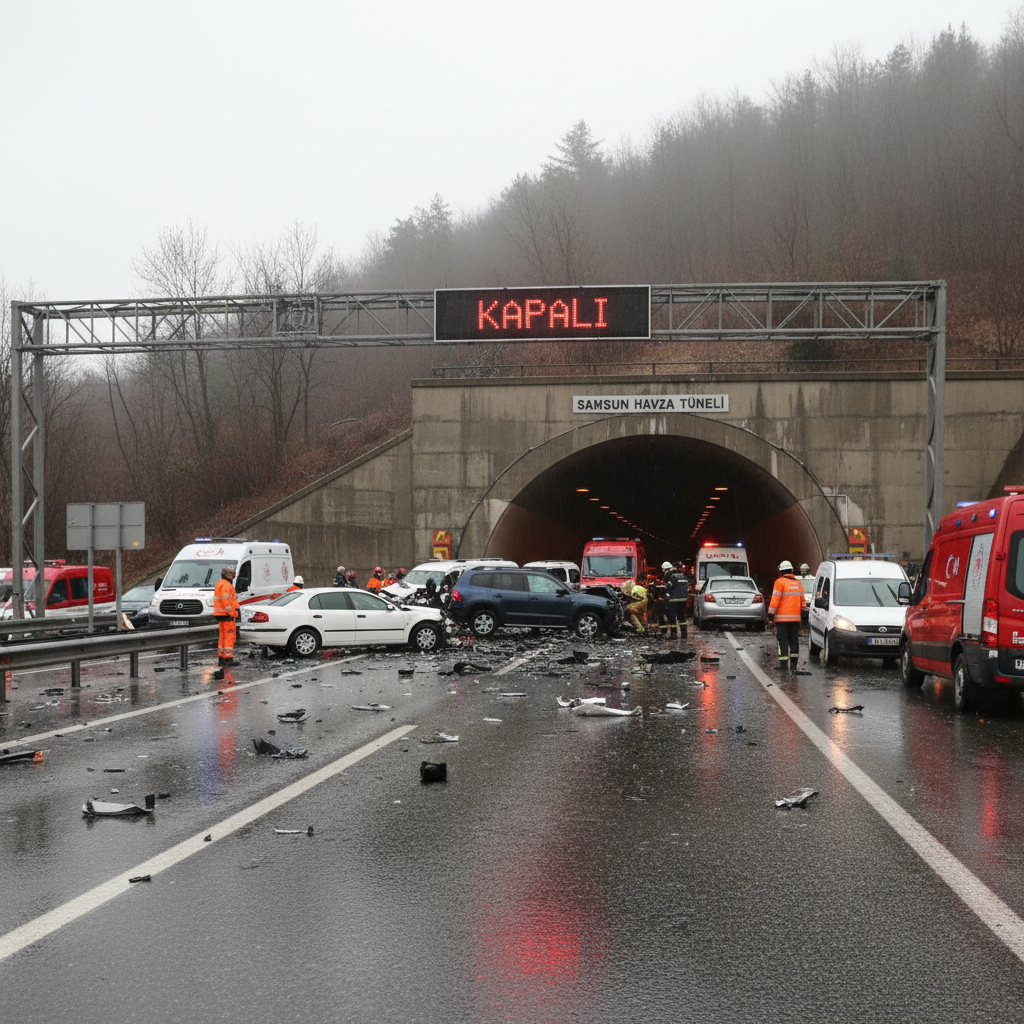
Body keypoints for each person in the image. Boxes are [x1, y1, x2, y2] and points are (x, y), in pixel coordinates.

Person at [768, 560, 804, 670]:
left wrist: (770, 615)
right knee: (794, 640)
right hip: (795, 619)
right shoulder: (798, 583)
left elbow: (775, 600)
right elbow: (802, 602)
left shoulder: (779, 582)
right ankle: (794, 665)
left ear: (781, 571)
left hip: (782, 620)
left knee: (782, 641)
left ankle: (783, 664)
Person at [213, 566, 240, 665]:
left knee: (223, 637)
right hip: (227, 615)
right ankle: (228, 658)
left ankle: (222, 657)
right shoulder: (226, 585)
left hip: (221, 615)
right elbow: (226, 602)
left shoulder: (220, 583)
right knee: (229, 636)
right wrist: (233, 613)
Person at [663, 561, 689, 639]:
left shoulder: (671, 576)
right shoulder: (683, 576)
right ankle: (684, 634)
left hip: (673, 600)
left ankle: (673, 634)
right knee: (682, 617)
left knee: (672, 617)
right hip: (683, 599)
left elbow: (668, 586)